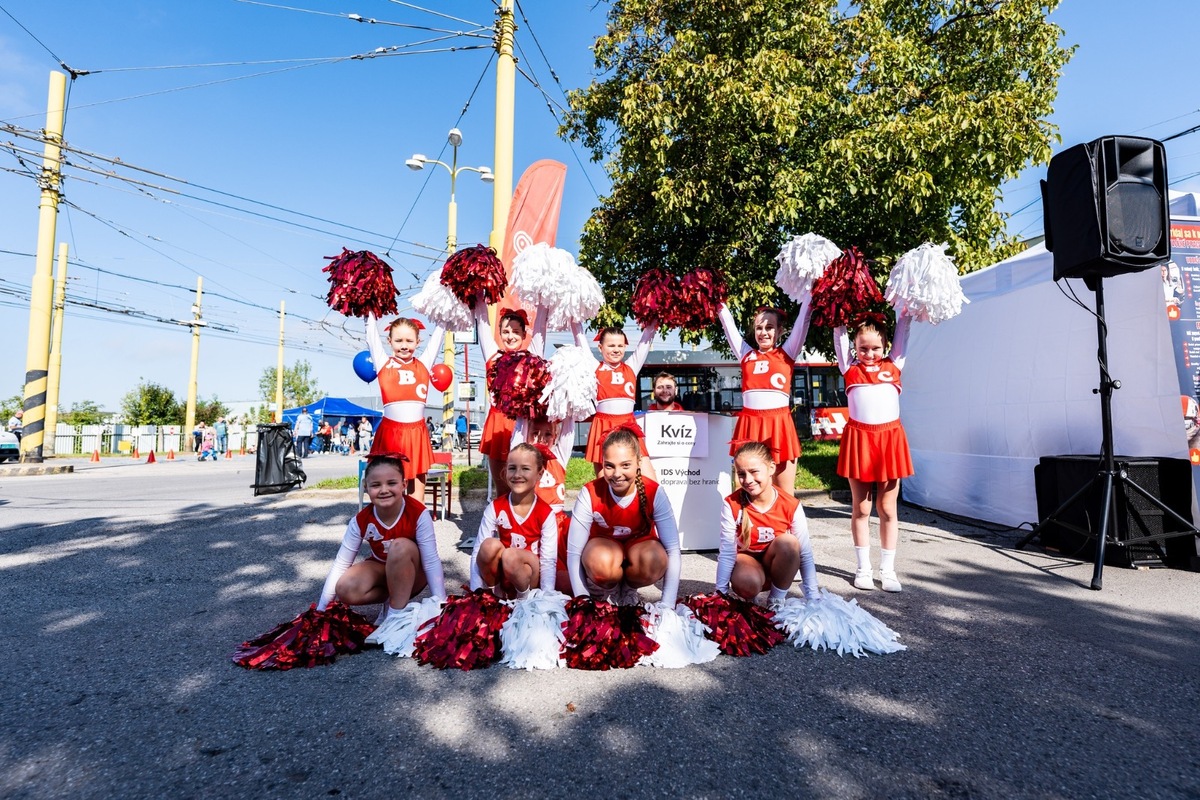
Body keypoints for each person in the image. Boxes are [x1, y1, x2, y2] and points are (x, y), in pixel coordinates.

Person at [834, 312, 913, 593]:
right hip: (859, 440)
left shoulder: (895, 363)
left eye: (876, 347)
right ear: (854, 347)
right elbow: (839, 329)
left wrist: (904, 311)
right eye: (863, 348)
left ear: (886, 346)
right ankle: (863, 567)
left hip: (889, 440)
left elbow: (903, 328)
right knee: (862, 507)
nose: (869, 353)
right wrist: (838, 311)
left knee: (888, 508)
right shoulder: (849, 367)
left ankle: (888, 570)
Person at [315, 454, 446, 620]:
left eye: (391, 483)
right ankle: (393, 601)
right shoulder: (360, 520)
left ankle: (394, 617)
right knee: (345, 588)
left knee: (400, 547)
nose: (384, 490)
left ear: (404, 484)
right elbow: (341, 564)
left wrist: (441, 603)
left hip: (413, 575)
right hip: (381, 570)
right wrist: (321, 611)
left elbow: (431, 560)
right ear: (366, 487)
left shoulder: (418, 513)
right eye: (376, 485)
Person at [566, 425, 681, 607]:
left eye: (625, 465)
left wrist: (667, 603)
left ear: (639, 463)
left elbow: (673, 550)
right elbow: (574, 553)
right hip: (604, 547)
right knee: (601, 563)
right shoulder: (590, 493)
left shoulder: (654, 492)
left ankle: (627, 588)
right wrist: (582, 598)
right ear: (602, 464)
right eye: (609, 466)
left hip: (640, 547)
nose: (617, 474)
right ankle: (606, 588)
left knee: (654, 560)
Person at [717, 302, 812, 494]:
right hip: (750, 425)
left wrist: (809, 294)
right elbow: (728, 325)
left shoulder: (787, 353)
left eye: (769, 327)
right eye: (759, 328)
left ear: (779, 330)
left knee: (783, 493)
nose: (763, 332)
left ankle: (783, 525)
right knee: (744, 491)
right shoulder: (746, 354)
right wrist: (718, 301)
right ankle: (746, 525)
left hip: (779, 425)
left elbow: (803, 321)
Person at [716, 441, 819, 605]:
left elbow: (805, 554)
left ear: (771, 468)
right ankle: (750, 603)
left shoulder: (791, 504)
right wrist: (719, 594)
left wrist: (813, 597)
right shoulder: (731, 504)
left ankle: (776, 600)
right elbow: (727, 551)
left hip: (777, 568)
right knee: (747, 582)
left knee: (790, 543)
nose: (748, 480)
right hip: (747, 565)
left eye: (754, 472)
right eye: (741, 474)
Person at [365, 311, 445, 499]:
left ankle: (416, 527)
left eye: (409, 341)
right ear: (389, 341)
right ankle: (390, 528)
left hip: (417, 433)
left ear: (418, 342)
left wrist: (445, 312)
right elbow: (371, 337)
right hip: (390, 433)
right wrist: (368, 309)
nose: (404, 346)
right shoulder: (383, 362)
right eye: (399, 340)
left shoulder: (424, 363)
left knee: (418, 497)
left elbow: (438, 336)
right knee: (388, 492)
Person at [469, 443, 559, 598]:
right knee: (488, 546)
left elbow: (548, 560)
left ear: (540, 473)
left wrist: (547, 596)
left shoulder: (545, 513)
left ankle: (523, 600)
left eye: (525, 468)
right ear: (505, 472)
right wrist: (474, 590)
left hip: (529, 574)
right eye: (512, 468)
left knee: (511, 556)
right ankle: (494, 594)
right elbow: (477, 550)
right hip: (505, 571)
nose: (517, 474)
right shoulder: (495, 507)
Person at [574, 322, 659, 480]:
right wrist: (574, 319)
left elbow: (646, 340)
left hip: (628, 424)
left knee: (650, 480)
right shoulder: (594, 367)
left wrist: (653, 321)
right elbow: (581, 342)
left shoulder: (631, 366)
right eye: (611, 345)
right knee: (605, 482)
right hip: (603, 425)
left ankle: (652, 505)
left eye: (620, 345)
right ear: (600, 348)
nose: (616, 349)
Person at [477, 306, 545, 496]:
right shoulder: (493, 357)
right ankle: (502, 525)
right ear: (499, 334)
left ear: (524, 334)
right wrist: (479, 298)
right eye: (505, 332)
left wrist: (542, 302)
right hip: (497, 427)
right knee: (502, 490)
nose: (510, 336)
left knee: (526, 489)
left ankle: (525, 525)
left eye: (516, 332)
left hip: (523, 425)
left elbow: (540, 328)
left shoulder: (532, 356)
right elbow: (482, 324)